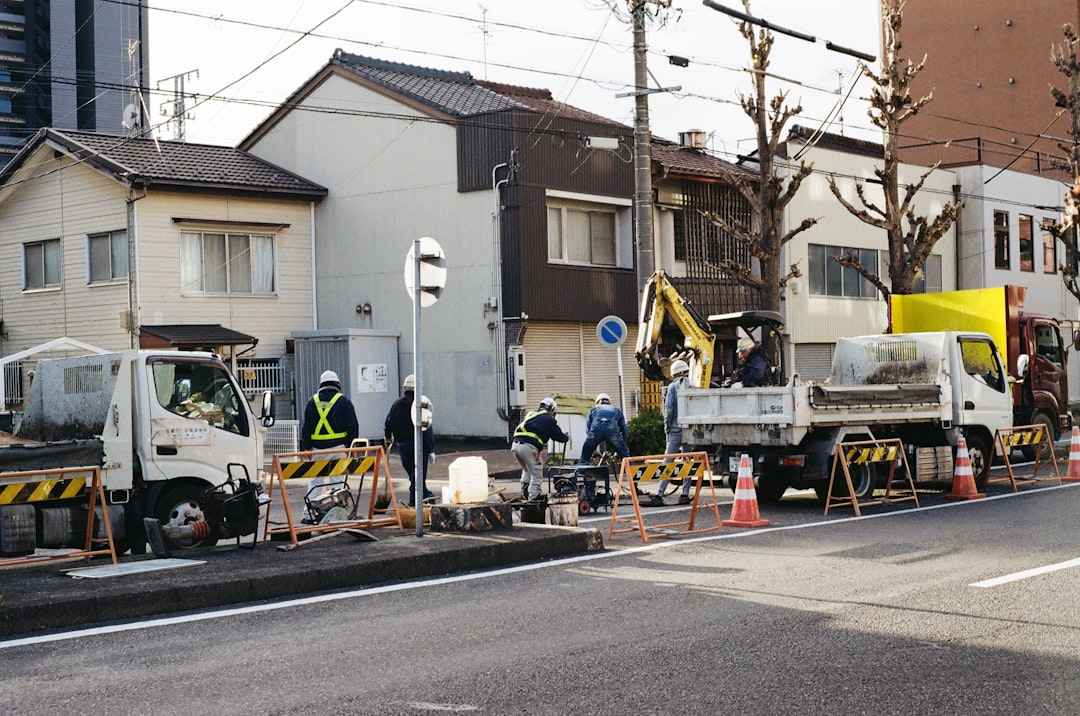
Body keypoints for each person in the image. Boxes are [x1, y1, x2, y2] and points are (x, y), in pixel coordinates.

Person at [643, 359, 693, 507]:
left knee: (668, 461)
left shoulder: (672, 387)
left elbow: (669, 410)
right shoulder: (692, 386)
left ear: (675, 374)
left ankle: (659, 494)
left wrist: (667, 429)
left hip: (675, 430)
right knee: (687, 462)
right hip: (689, 430)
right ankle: (685, 494)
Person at [384, 374, 436, 507]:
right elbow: (426, 428)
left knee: (413, 475)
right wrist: (430, 449)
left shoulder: (396, 404)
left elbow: (388, 423)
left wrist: (388, 437)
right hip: (418, 446)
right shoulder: (419, 405)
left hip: (402, 446)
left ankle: (425, 495)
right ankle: (414, 504)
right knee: (417, 476)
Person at [512, 397, 570, 501]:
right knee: (536, 474)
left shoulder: (531, 414)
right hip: (529, 447)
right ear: (551, 409)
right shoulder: (548, 418)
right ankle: (533, 499)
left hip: (515, 446)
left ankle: (525, 492)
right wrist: (566, 437)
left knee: (527, 470)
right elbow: (558, 435)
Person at [300, 370, 359, 452]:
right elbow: (352, 426)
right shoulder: (344, 401)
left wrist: (307, 447)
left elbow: (306, 427)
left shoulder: (312, 402)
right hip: (339, 448)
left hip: (317, 450)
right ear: (338, 384)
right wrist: (350, 445)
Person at [578, 393, 629, 465]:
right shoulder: (616, 410)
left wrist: (593, 448)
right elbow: (624, 429)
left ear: (597, 402)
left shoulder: (593, 409)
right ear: (609, 402)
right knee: (625, 457)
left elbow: (588, 430)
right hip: (612, 430)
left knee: (585, 457)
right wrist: (622, 444)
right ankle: (632, 474)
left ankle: (581, 472)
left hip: (596, 430)